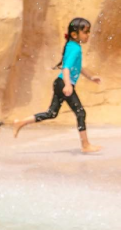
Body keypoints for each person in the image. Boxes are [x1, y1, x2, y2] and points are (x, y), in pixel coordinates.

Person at [12, 17, 102, 154]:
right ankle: (85, 145)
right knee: (80, 112)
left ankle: (21, 122)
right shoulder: (75, 48)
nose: (88, 35)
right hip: (63, 83)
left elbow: (76, 67)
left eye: (89, 32)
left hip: (60, 83)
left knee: (51, 113)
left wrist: (91, 77)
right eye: (85, 32)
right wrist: (68, 85)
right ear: (74, 34)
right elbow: (66, 68)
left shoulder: (72, 46)